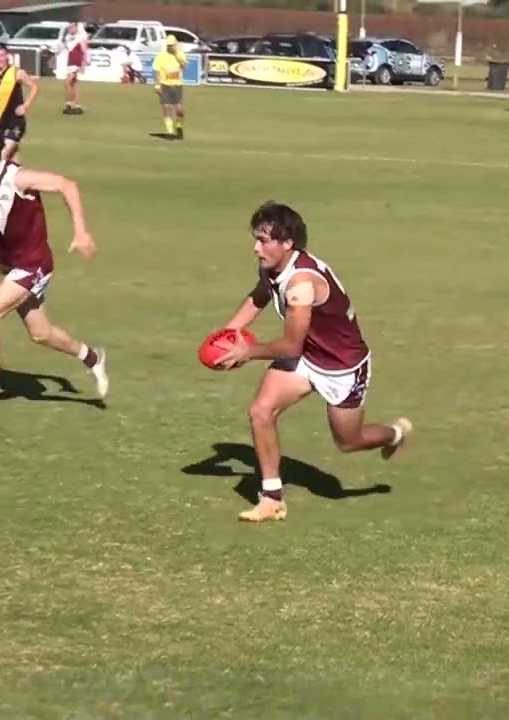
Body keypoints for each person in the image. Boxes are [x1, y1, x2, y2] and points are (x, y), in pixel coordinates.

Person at [212, 201, 413, 522]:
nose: (255, 248)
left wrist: (247, 352)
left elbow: (290, 345)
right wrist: (226, 335)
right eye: (255, 239)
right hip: (307, 357)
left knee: (348, 442)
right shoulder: (272, 266)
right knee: (261, 412)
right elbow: (260, 295)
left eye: (263, 241)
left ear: (287, 243)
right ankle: (272, 499)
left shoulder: (301, 284)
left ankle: (394, 434)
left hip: (342, 367)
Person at [0, 121, 107, 419]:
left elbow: (67, 185)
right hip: (14, 268)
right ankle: (92, 357)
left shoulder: (18, 178)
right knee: (41, 333)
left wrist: (81, 232)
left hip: (34, 265)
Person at [0, 44, 39, 162]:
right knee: (12, 159)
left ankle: (1, 174)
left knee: (3, 154)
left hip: (16, 121)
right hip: (1, 122)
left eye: (2, 55)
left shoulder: (16, 72)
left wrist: (26, 105)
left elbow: (34, 87)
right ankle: (19, 173)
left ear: (7, 56)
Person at [152, 34, 188, 140]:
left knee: (179, 109)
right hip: (165, 85)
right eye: (169, 45)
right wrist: (157, 85)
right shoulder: (161, 56)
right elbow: (156, 70)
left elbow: (184, 67)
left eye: (172, 45)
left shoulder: (180, 55)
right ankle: (169, 130)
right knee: (166, 107)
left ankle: (179, 126)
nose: (170, 47)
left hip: (177, 85)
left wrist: (177, 56)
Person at [58, 21, 89, 115]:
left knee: (67, 82)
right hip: (70, 62)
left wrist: (83, 64)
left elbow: (84, 51)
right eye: (70, 27)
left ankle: (70, 103)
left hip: (76, 62)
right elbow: (67, 49)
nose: (71, 29)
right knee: (74, 83)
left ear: (76, 27)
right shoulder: (68, 37)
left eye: (72, 27)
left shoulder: (80, 37)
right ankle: (77, 104)